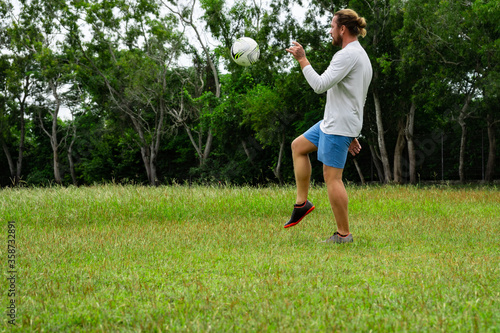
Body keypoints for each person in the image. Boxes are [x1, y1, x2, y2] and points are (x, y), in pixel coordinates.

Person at [284, 9, 372, 243]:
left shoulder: (346, 56)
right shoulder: (361, 55)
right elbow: (356, 97)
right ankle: (302, 204)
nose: (331, 31)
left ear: (342, 29)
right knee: (298, 147)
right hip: (335, 122)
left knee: (332, 178)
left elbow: (320, 85)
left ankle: (343, 234)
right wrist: (352, 131)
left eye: (332, 26)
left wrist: (302, 59)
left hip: (338, 125)